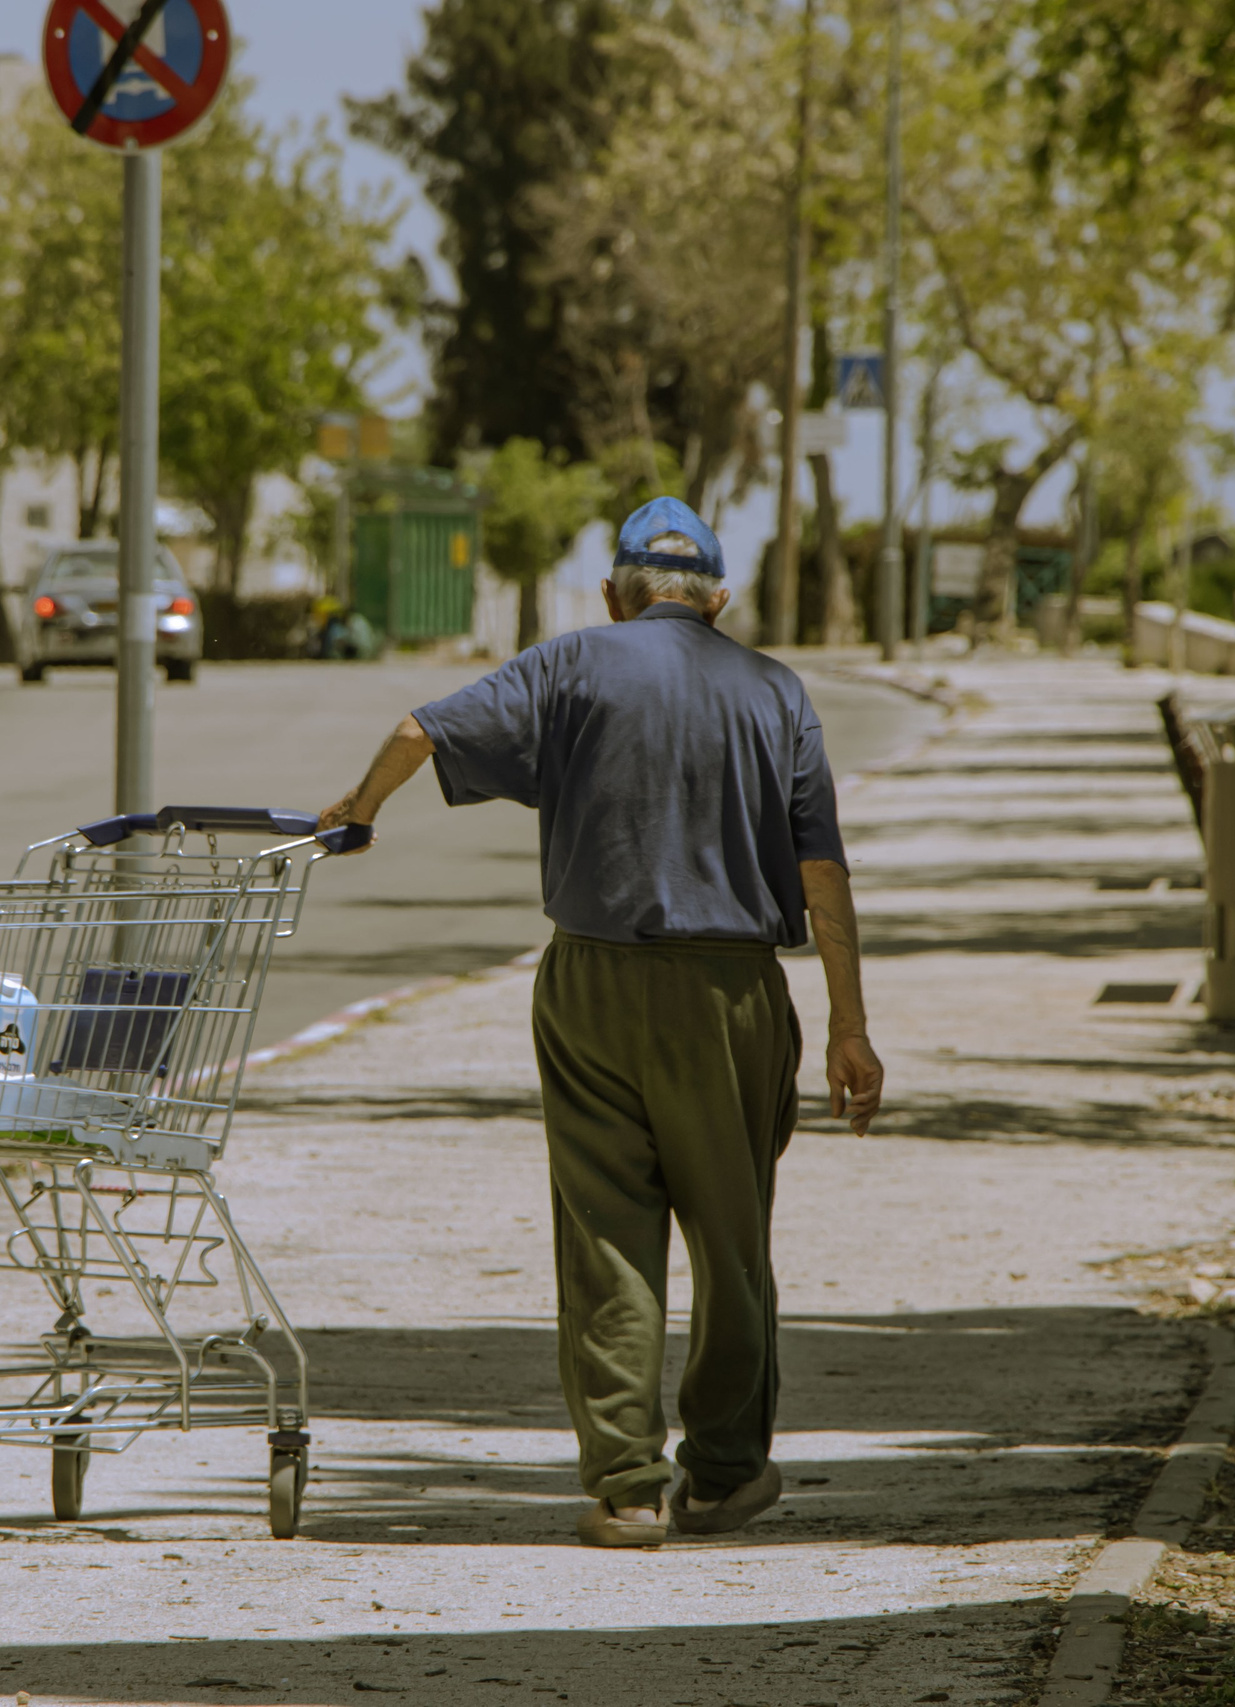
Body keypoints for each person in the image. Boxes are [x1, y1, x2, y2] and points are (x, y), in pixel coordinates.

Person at [317, 495, 884, 1548]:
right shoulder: (774, 690)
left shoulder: (570, 663)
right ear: (718, 600)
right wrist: (848, 1027)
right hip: (732, 992)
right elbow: (820, 870)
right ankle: (721, 1475)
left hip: (590, 984)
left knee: (605, 1240)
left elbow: (416, 730)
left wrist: (358, 809)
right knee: (731, 1238)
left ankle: (627, 1488)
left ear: (614, 595)